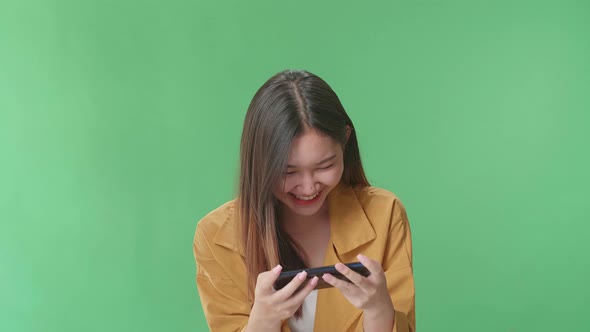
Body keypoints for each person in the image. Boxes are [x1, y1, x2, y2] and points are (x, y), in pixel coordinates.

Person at [193, 69, 415, 332]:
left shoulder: (384, 214)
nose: (308, 187)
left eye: (325, 165)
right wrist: (262, 323)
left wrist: (379, 309)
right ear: (259, 162)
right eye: (288, 172)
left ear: (345, 140)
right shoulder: (217, 235)